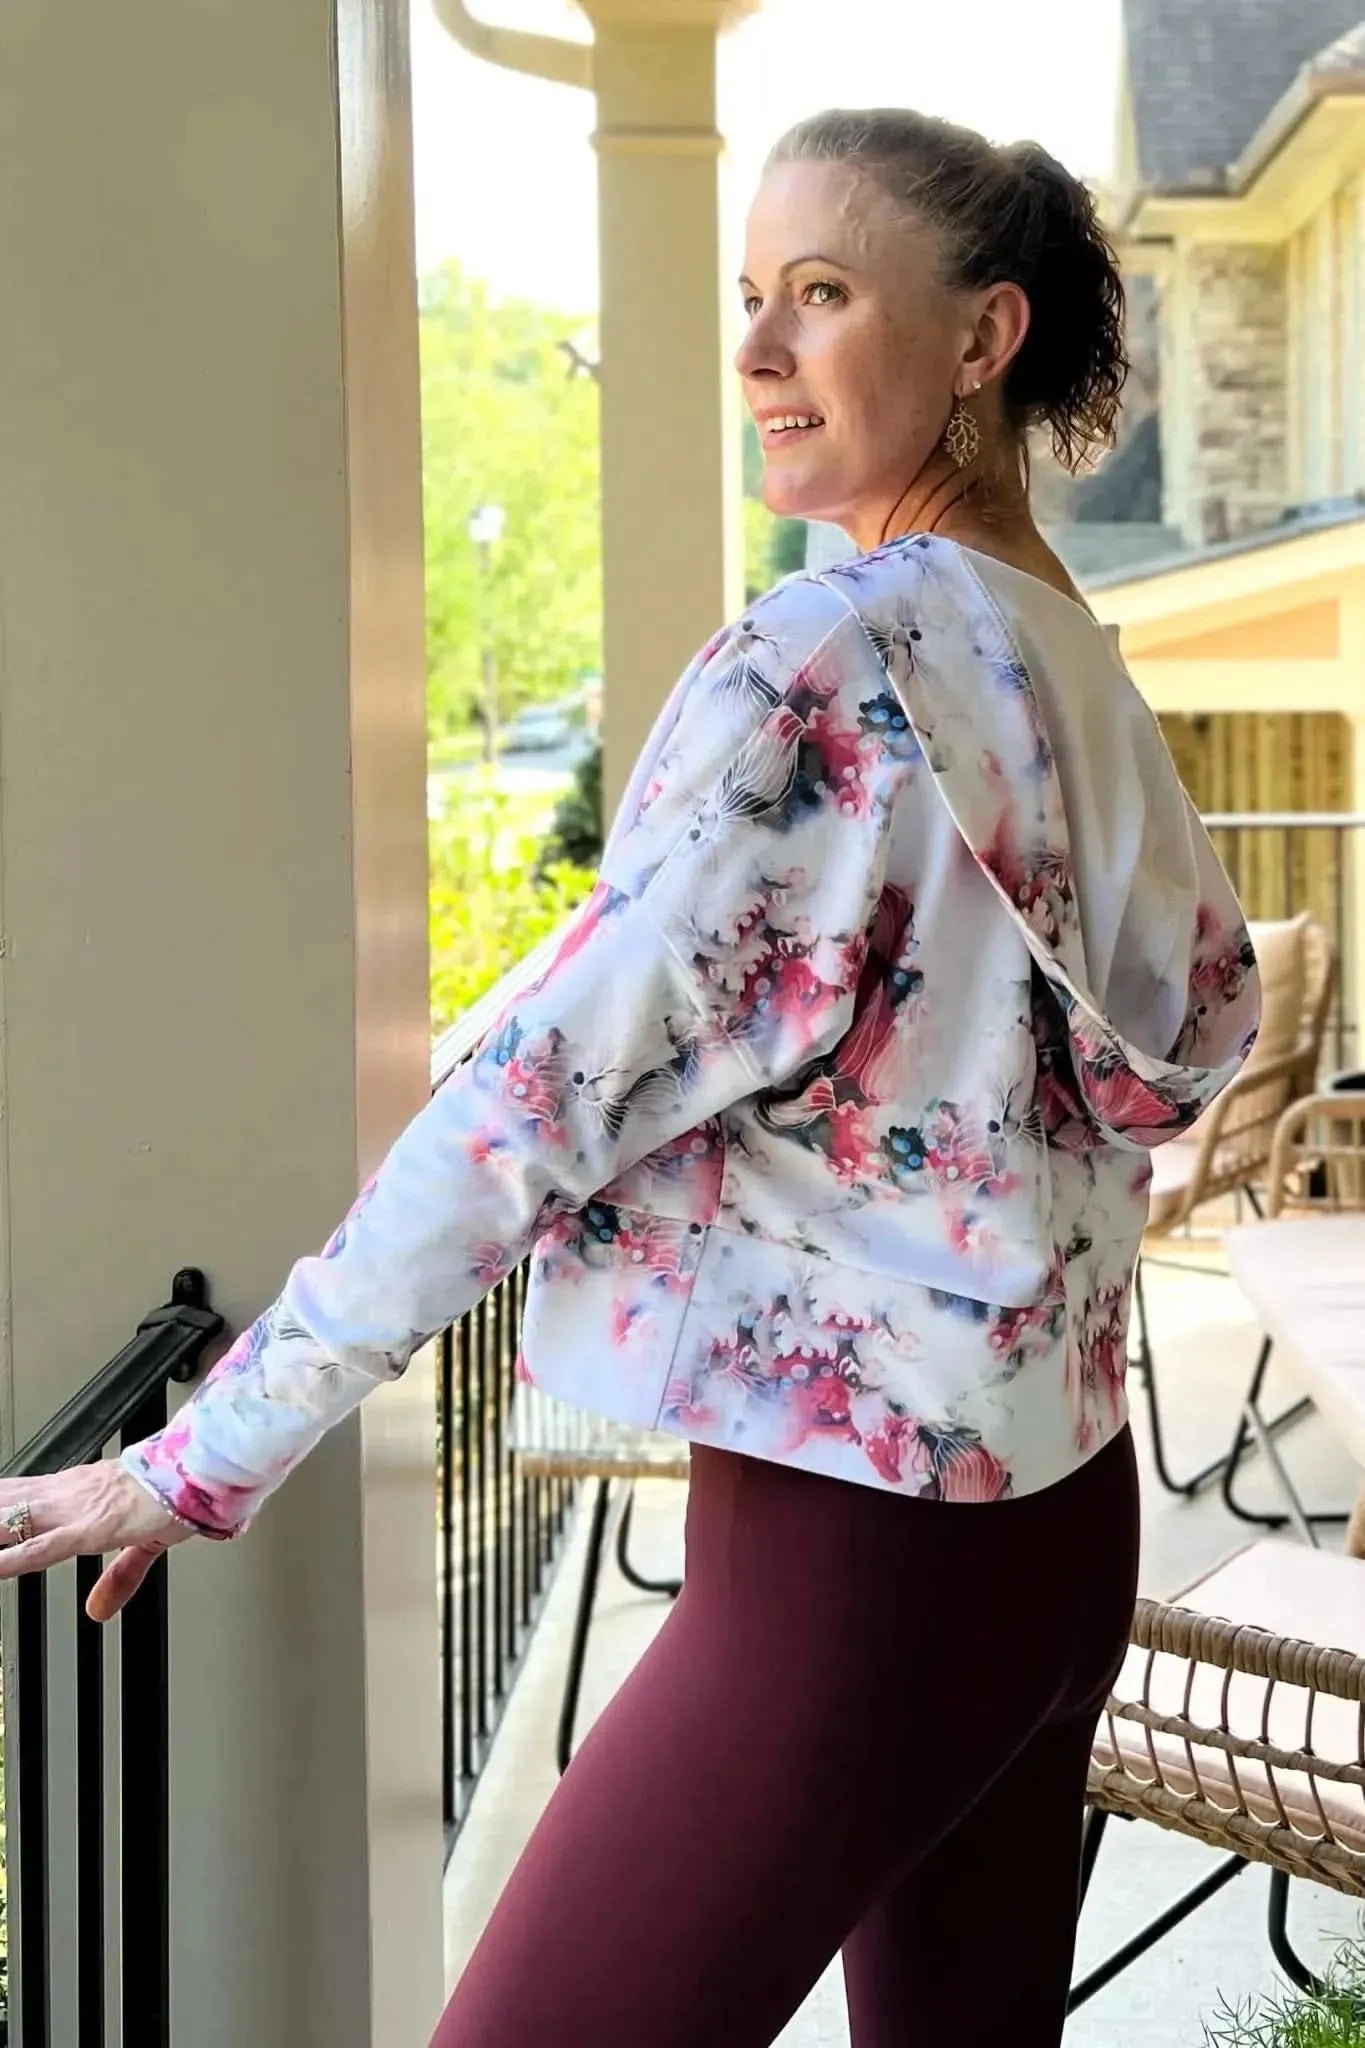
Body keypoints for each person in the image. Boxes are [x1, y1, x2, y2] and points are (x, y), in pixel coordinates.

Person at [0, 109, 1260, 2047]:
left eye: (819, 295)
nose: (754, 349)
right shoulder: (1071, 659)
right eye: (748, 296)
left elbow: (536, 1095)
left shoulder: (831, 658)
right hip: (1052, 1524)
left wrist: (204, 1448)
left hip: (848, 1570)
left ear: (982, 335)